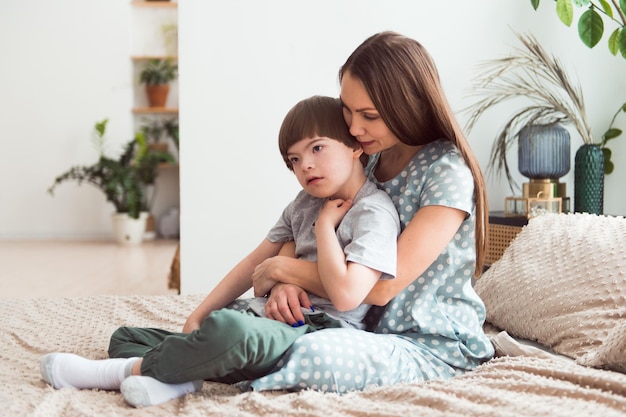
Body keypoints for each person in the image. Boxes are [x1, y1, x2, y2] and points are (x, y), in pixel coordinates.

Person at [39, 95, 401, 407]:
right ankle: (177, 379)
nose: (304, 165)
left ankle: (112, 374)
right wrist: (198, 315)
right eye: (293, 159)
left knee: (227, 329)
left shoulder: (373, 212)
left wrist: (324, 228)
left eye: (317, 148)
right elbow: (253, 264)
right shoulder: (303, 203)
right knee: (127, 337)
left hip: (311, 330)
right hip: (260, 320)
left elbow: (347, 294)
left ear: (355, 146)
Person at [244, 31, 495, 392]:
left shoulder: (447, 173)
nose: (353, 127)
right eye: (347, 109)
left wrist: (284, 269)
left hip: (431, 347)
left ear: (411, 106)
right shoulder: (368, 157)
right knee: (249, 326)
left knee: (313, 353)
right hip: (362, 331)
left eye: (369, 115)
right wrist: (285, 285)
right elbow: (302, 230)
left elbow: (379, 289)